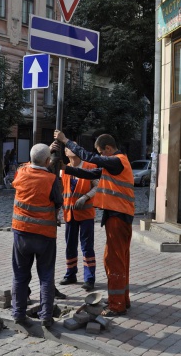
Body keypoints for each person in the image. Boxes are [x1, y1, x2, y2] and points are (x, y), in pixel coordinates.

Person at [54, 131, 135, 317]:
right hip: (119, 216)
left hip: (118, 216)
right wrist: (66, 170)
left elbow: (90, 159)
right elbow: (90, 173)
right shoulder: (114, 165)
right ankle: (122, 299)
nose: (99, 157)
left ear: (108, 148)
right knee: (120, 259)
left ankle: (116, 305)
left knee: (113, 260)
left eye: (101, 153)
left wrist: (65, 141)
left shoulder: (117, 161)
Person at [11, 143, 63, 328]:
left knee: (20, 275)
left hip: (22, 232)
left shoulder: (21, 173)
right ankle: (46, 316)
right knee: (46, 275)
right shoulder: (51, 179)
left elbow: (31, 163)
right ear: (48, 161)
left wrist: (43, 153)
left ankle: (18, 313)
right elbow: (58, 202)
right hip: (45, 235)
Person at [59, 144, 99, 292]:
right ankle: (70, 274)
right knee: (70, 246)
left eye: (75, 147)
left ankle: (89, 279)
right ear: (66, 153)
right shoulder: (64, 170)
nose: (73, 149)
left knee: (87, 247)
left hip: (86, 214)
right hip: (69, 214)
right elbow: (61, 191)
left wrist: (86, 197)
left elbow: (98, 186)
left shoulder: (90, 166)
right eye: (70, 148)